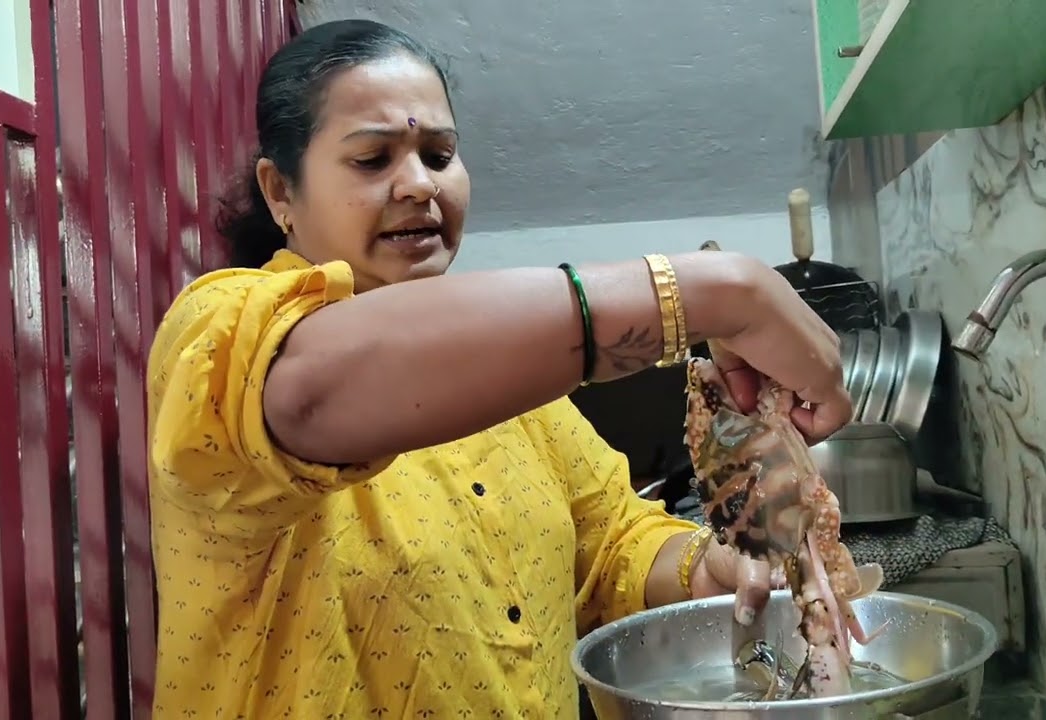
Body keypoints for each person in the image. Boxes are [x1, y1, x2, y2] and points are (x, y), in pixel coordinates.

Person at [146, 18, 852, 720]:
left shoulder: (522, 387)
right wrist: (707, 293)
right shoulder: (217, 334)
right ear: (280, 193)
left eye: (439, 153)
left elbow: (611, 543)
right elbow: (313, 395)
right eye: (373, 160)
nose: (419, 184)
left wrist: (706, 568)